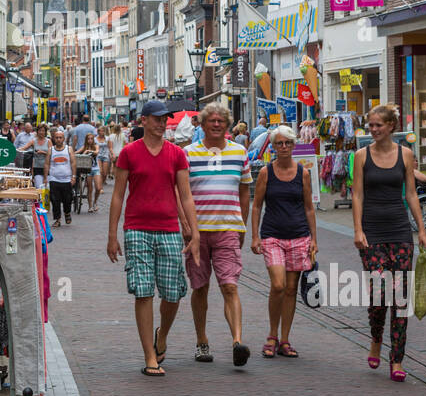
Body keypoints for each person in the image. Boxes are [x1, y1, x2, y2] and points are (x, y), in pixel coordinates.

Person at [107, 100, 199, 377]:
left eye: (164, 119)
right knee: (143, 291)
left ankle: (162, 336)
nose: (162, 123)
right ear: (143, 120)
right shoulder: (128, 154)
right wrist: (113, 234)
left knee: (173, 293)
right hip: (136, 228)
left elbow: (186, 196)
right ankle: (150, 356)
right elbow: (117, 195)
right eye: (157, 118)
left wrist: (194, 234)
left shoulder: (177, 154)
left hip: (169, 229)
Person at [351, 104, 426, 381]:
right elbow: (357, 195)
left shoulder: (405, 155)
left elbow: (410, 194)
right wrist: (358, 230)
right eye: (370, 125)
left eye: (377, 125)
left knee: (400, 298)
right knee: (378, 294)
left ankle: (396, 360)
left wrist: (420, 229)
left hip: (399, 231)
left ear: (390, 127)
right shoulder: (361, 156)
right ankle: (376, 338)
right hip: (372, 232)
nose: (372, 130)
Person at [186, 103, 252, 366]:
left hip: (228, 228)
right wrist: (187, 229)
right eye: (211, 121)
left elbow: (245, 190)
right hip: (198, 232)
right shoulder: (188, 153)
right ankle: (202, 341)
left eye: (220, 121)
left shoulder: (240, 152)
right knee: (200, 287)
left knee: (230, 285)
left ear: (227, 125)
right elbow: (182, 193)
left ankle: (237, 341)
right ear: (202, 125)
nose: (216, 125)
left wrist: (242, 225)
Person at [250, 124, 315, 359]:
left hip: (298, 235)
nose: (284, 147)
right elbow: (256, 205)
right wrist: (255, 235)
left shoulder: (303, 173)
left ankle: (285, 339)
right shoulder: (266, 172)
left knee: (290, 289)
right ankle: (271, 334)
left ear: (293, 145)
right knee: (278, 285)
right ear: (274, 147)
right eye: (279, 143)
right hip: (272, 235)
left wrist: (313, 239)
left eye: (287, 143)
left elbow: (309, 208)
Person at [47, 128, 75, 226]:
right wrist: (46, 178)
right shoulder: (51, 150)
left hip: (66, 179)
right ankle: (57, 219)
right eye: (57, 138)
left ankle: (67, 213)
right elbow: (46, 164)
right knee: (55, 200)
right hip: (54, 179)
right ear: (54, 139)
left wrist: (74, 176)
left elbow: (73, 163)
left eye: (60, 137)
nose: (58, 139)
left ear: (63, 139)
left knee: (68, 199)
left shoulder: (69, 149)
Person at [20, 122, 51, 187]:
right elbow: (24, 148)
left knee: (47, 188)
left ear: (45, 132)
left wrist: (43, 152)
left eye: (43, 131)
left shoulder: (48, 141)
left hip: (47, 168)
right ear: (37, 131)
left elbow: (52, 154)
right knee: (38, 186)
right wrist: (14, 150)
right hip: (37, 167)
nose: (41, 132)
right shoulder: (33, 141)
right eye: (40, 130)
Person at [77, 132, 101, 211]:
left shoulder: (96, 146)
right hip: (88, 169)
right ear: (86, 140)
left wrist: (88, 151)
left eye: (91, 139)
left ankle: (95, 202)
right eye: (88, 139)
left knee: (98, 188)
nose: (90, 140)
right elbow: (76, 153)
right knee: (90, 188)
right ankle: (90, 206)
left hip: (96, 168)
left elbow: (97, 152)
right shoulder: (84, 147)